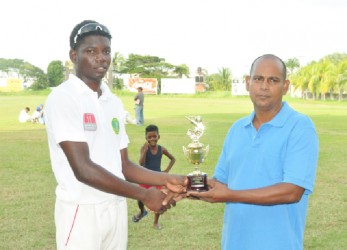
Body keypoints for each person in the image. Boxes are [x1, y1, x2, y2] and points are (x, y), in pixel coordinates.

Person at [44, 20, 186, 250]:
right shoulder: (63, 98)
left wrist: (168, 179)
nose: (101, 58)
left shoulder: (113, 102)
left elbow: (124, 166)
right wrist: (144, 195)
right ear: (73, 55)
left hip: (116, 206)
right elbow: (83, 169)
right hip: (81, 210)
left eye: (106, 51)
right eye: (91, 51)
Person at [188, 54, 319, 250]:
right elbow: (220, 183)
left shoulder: (300, 127)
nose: (264, 86)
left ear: (285, 86)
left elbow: (292, 191)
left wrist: (230, 195)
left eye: (273, 80)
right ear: (248, 83)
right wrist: (186, 187)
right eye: (258, 79)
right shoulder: (237, 129)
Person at [132, 124, 176, 230]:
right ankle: (142, 212)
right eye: (149, 137)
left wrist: (166, 171)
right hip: (145, 177)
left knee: (159, 201)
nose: (152, 139)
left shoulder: (161, 149)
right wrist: (144, 151)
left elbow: (172, 159)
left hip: (157, 179)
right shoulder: (144, 147)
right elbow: (141, 163)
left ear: (158, 137)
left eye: (154, 136)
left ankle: (156, 222)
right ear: (146, 138)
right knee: (140, 197)